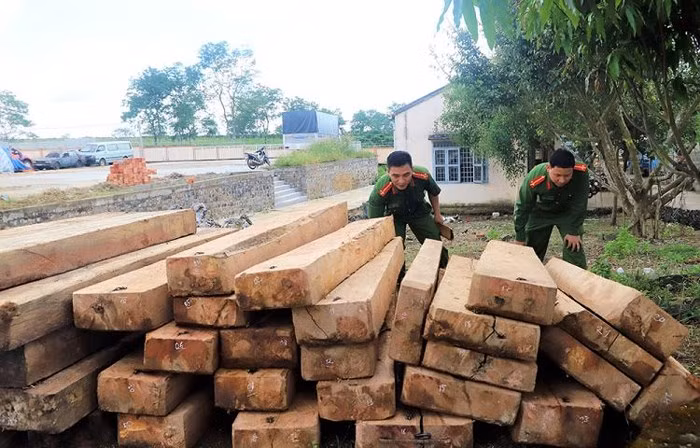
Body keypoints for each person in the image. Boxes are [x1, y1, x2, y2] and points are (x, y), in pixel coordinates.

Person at [368, 150, 449, 268]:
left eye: (406, 175)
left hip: (419, 212)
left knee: (434, 241)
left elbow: (433, 192)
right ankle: (398, 276)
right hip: (395, 217)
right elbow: (375, 221)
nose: (401, 181)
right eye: (395, 176)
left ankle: (444, 268)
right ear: (388, 172)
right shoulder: (381, 189)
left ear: (412, 169)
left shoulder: (423, 175)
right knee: (394, 248)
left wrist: (437, 214)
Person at [514, 148, 589, 269]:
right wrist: (520, 238)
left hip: (567, 214)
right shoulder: (535, 177)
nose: (562, 180)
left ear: (573, 170)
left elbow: (580, 203)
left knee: (574, 247)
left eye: (567, 175)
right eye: (557, 175)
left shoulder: (581, 172)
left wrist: (573, 231)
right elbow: (522, 207)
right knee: (531, 252)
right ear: (549, 168)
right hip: (540, 213)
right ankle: (528, 275)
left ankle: (575, 276)